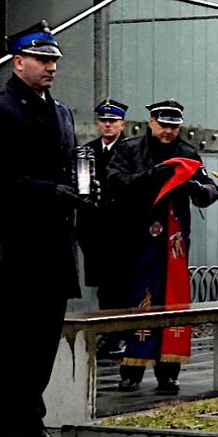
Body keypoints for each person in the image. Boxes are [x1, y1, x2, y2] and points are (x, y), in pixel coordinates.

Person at [0, 21, 87, 437]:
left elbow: (68, 167)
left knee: (42, 340)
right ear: (17, 62)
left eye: (54, 60)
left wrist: (80, 191)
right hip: (17, 242)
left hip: (54, 241)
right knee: (11, 342)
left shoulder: (60, 111)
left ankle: (31, 420)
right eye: (42, 59)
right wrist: (45, 190)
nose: (51, 67)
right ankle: (5, 425)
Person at [107, 100, 218, 394]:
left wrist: (195, 188)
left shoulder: (187, 154)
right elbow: (115, 183)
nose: (168, 131)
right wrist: (151, 176)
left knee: (174, 299)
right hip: (136, 240)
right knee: (138, 301)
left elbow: (210, 189)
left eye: (174, 126)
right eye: (163, 125)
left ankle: (168, 372)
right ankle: (131, 369)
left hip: (174, 242)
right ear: (151, 122)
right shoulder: (130, 150)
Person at [78, 99, 135, 356]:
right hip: (97, 229)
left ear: (122, 124)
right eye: (103, 120)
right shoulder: (87, 152)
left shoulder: (132, 150)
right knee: (104, 286)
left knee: (123, 284)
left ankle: (122, 333)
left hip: (124, 229)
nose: (108, 125)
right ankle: (108, 333)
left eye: (112, 121)